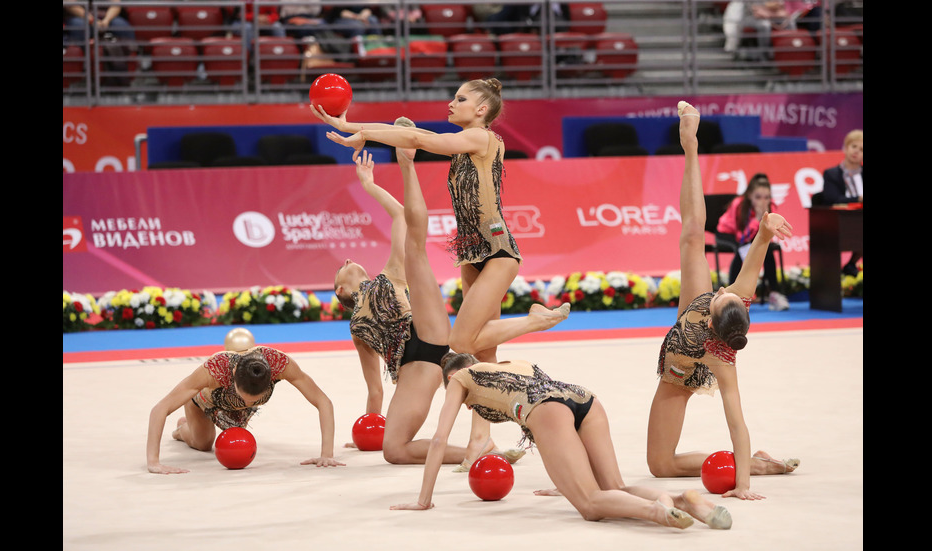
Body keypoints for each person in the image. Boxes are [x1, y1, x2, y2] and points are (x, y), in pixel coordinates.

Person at [313, 78, 571, 366]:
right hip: (471, 252)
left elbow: (417, 139)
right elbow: (408, 132)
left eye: (461, 99)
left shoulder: (482, 138)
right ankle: (486, 408)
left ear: (481, 109)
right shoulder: (461, 144)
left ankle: (533, 321)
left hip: (497, 251)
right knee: (482, 354)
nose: (451, 103)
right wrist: (350, 128)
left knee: (460, 342)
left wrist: (361, 134)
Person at [334, 122, 531, 467]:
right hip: (416, 367)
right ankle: (480, 451)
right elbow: (375, 389)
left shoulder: (386, 279)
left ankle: (408, 163)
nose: (349, 260)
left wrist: (371, 185)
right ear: (340, 290)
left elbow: (400, 216)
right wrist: (370, 426)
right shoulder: (357, 330)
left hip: (424, 331)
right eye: (343, 267)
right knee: (393, 450)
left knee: (414, 248)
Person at [644, 101, 799, 500]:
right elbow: (760, 245)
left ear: (712, 323)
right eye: (723, 292)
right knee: (693, 235)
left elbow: (737, 424)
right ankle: (690, 144)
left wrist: (743, 483)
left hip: (682, 368)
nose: (720, 290)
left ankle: (757, 464)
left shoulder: (721, 361)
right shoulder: (736, 298)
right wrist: (768, 225)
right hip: (681, 341)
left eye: (718, 297)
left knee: (660, 466)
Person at [390, 352, 733, 531]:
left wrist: (424, 500)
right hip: (584, 398)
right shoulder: (512, 363)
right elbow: (557, 408)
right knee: (613, 486)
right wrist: (566, 479)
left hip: (547, 411)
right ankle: (681, 500)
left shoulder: (460, 378)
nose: (465, 405)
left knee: (590, 505)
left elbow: (438, 439)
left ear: (450, 375)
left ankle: (658, 512)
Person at [146, 345, 344, 474]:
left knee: (237, 438)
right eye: (245, 398)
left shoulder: (280, 364)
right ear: (233, 377)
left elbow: (323, 401)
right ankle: (183, 429)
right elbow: (159, 409)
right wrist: (154, 462)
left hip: (235, 413)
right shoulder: (214, 369)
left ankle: (199, 424)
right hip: (205, 403)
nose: (250, 403)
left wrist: (327, 454)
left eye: (255, 401)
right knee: (204, 444)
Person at [716, 173, 790, 311]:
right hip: (728, 234)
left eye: (766, 197)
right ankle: (731, 296)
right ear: (749, 195)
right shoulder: (739, 204)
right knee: (742, 249)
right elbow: (741, 235)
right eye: (758, 197)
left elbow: (767, 235)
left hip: (750, 236)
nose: (763, 201)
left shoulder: (771, 207)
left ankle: (774, 293)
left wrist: (762, 222)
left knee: (767, 250)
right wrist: (757, 219)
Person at [820, 129, 863, 276]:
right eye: (853, 147)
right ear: (845, 148)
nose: (856, 152)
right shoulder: (831, 174)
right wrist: (858, 199)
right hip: (841, 221)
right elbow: (832, 199)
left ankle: (851, 263)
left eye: (861, 149)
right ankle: (849, 265)